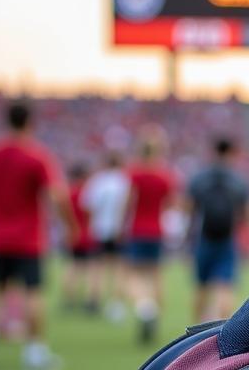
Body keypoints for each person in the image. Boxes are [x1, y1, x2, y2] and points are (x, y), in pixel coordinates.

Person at [0, 101, 77, 370]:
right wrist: (71, 225)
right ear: (29, 122)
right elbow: (56, 195)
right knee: (33, 292)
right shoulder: (36, 155)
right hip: (28, 237)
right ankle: (35, 351)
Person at [186, 137, 249, 324]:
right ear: (231, 153)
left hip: (204, 237)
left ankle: (195, 331)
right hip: (227, 238)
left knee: (201, 287)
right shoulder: (238, 181)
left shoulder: (200, 178)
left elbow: (190, 209)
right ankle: (220, 328)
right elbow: (246, 213)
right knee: (225, 286)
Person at [125, 130, 176, 343]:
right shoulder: (165, 176)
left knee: (134, 275)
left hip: (138, 229)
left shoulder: (133, 174)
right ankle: (154, 311)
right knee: (155, 275)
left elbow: (128, 202)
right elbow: (171, 204)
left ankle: (145, 308)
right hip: (156, 229)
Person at [81, 151, 131, 321]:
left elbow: (87, 205)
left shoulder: (98, 180)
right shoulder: (124, 180)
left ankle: (93, 299)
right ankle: (116, 303)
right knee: (118, 268)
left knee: (97, 266)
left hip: (100, 228)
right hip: (119, 229)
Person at [64, 163, 98, 311]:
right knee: (92, 269)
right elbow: (91, 214)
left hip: (73, 234)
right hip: (87, 234)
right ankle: (90, 301)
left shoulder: (68, 193)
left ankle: (69, 300)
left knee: (73, 267)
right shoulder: (87, 193)